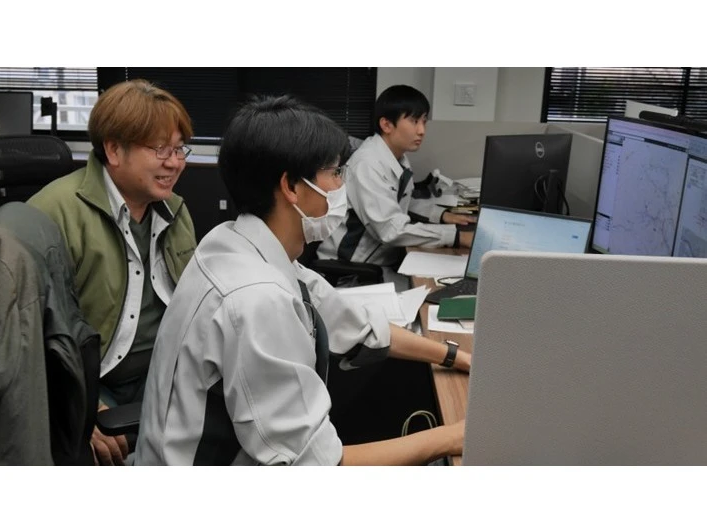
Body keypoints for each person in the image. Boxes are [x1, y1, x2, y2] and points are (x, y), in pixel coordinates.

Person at [135, 95, 470, 466]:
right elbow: (318, 465)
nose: (342, 186)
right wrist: (451, 437)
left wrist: (456, 356)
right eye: (335, 174)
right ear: (291, 187)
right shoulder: (257, 299)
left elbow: (356, 326)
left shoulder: (239, 243)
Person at [27, 79, 197, 465]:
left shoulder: (175, 210)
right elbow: (33, 334)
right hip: (93, 388)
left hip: (164, 375)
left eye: (178, 149)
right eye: (160, 149)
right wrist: (83, 407)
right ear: (114, 150)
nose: (175, 163)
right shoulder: (54, 213)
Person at [318, 84, 477, 267]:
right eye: (414, 121)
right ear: (386, 124)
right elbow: (389, 230)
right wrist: (456, 237)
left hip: (378, 261)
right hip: (351, 268)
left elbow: (399, 201)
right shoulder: (367, 165)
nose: (422, 130)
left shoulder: (396, 157)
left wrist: (440, 215)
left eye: (424, 121)